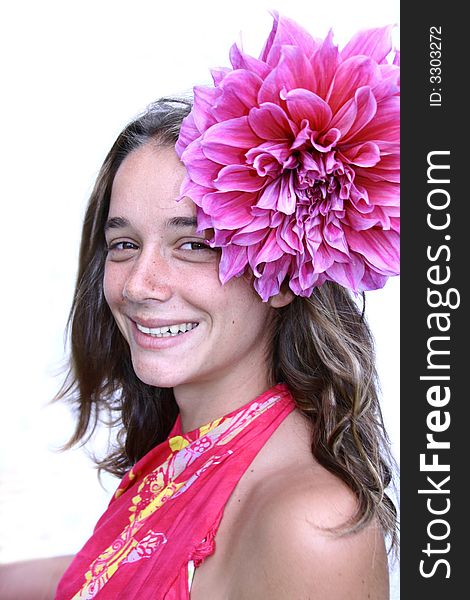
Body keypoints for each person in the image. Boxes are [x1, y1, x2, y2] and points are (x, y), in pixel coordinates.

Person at [0, 13, 399, 599]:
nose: (140, 283)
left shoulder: (309, 525)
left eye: (193, 245)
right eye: (124, 244)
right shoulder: (182, 456)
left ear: (282, 271)